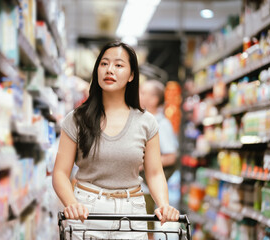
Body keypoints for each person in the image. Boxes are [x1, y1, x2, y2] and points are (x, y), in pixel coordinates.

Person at [52, 41, 180, 239]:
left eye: (118, 65)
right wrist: (71, 204)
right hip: (87, 211)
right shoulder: (77, 119)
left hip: (132, 212)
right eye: (104, 64)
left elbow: (154, 173)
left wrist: (164, 205)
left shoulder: (146, 122)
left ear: (131, 76)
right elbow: (60, 172)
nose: (109, 69)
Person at [139, 80, 180, 239]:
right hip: (143, 186)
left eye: (143, 93)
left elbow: (171, 157)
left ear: (154, 99)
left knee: (146, 230)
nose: (139, 96)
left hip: (148, 188)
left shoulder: (162, 124)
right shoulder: (144, 119)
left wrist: (144, 164)